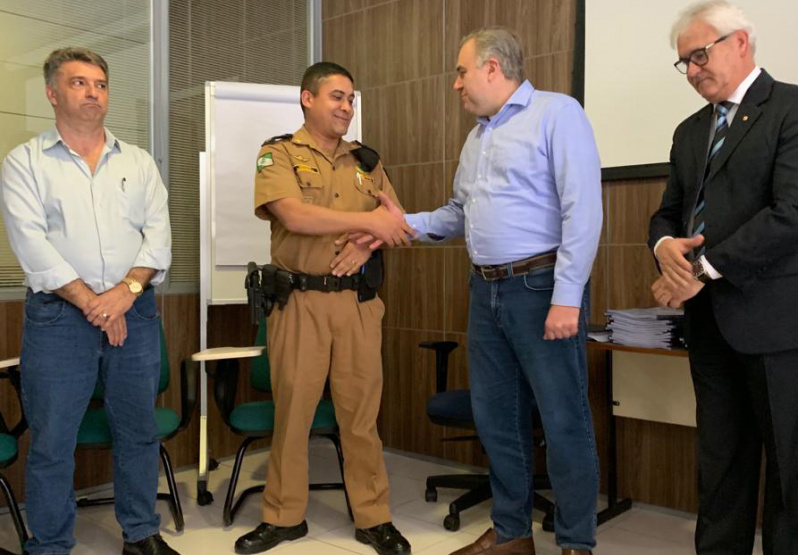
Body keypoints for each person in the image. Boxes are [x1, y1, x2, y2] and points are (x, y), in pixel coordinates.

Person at [396, 27, 603, 555]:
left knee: (563, 420)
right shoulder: (478, 136)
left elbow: (584, 210)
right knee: (498, 419)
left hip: (540, 287)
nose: (456, 84)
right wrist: (401, 224)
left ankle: (576, 544)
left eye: (462, 71)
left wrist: (566, 296)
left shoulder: (558, 113)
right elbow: (458, 215)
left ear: (493, 68)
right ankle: (512, 536)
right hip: (485, 291)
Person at [648, 2, 798, 553]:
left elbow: (793, 213)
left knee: (790, 469)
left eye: (699, 55)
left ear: (741, 43)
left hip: (781, 321)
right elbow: (668, 212)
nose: (691, 70)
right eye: (682, 62)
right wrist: (665, 246)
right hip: (710, 324)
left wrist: (701, 271)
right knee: (720, 465)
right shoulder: (690, 132)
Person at [0, 48, 176, 555]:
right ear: (53, 94)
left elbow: (158, 239)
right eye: (78, 83)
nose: (92, 92)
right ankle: (51, 545)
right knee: (54, 440)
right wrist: (95, 304)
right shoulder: (24, 163)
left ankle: (141, 534)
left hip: (134, 314)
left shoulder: (138, 162)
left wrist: (123, 295)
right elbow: (33, 246)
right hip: (59, 320)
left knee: (139, 430)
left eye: (99, 83)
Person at [233, 61, 413, 555]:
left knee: (360, 417)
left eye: (351, 99)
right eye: (336, 96)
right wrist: (368, 223)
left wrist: (367, 241)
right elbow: (293, 213)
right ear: (307, 99)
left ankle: (373, 518)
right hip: (300, 303)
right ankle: (284, 517)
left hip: (356, 304)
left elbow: (396, 223)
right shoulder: (279, 153)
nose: (346, 107)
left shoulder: (366, 161)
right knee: (293, 414)